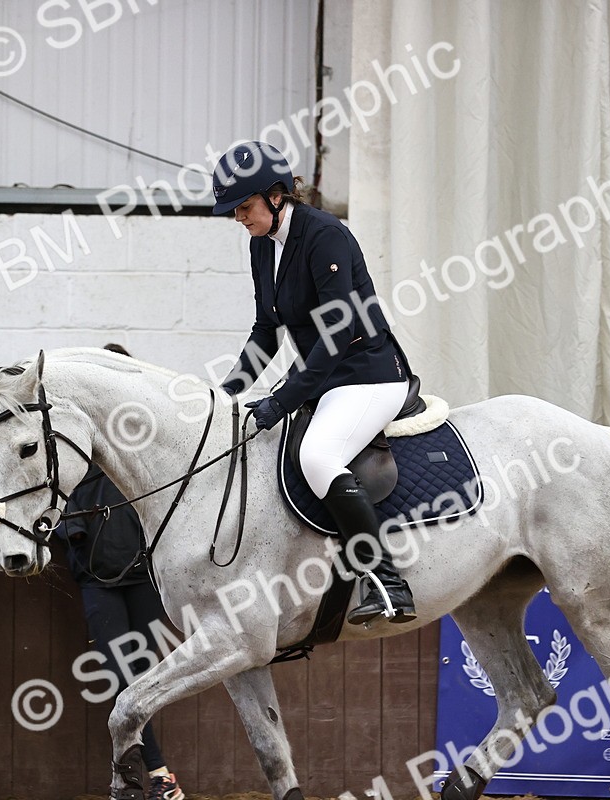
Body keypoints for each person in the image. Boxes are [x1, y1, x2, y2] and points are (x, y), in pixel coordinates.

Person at [213, 141, 416, 624]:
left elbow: (334, 335)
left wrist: (280, 400)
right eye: (235, 212)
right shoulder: (262, 246)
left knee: (317, 454)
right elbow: (266, 330)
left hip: (368, 373)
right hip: (327, 379)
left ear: (277, 196)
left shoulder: (325, 235)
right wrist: (228, 394)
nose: (240, 218)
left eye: (245, 207)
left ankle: (387, 579)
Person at [59, 344, 184, 800]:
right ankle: (158, 775)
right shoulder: (75, 447)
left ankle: (146, 779)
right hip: (99, 583)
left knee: (144, 679)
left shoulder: (148, 444)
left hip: (146, 581)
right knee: (121, 678)